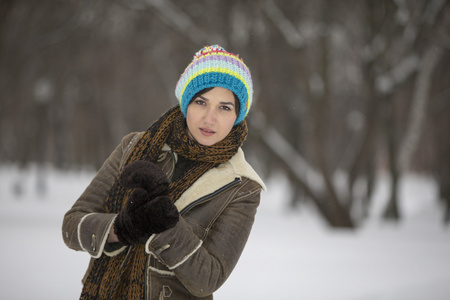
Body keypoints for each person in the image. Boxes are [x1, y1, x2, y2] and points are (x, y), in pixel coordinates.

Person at [62, 45, 266, 300]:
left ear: (237, 115)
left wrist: (166, 224)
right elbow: (71, 226)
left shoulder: (242, 186)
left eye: (224, 107)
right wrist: (122, 228)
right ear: (186, 103)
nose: (209, 118)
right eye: (201, 102)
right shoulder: (133, 147)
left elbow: (208, 280)